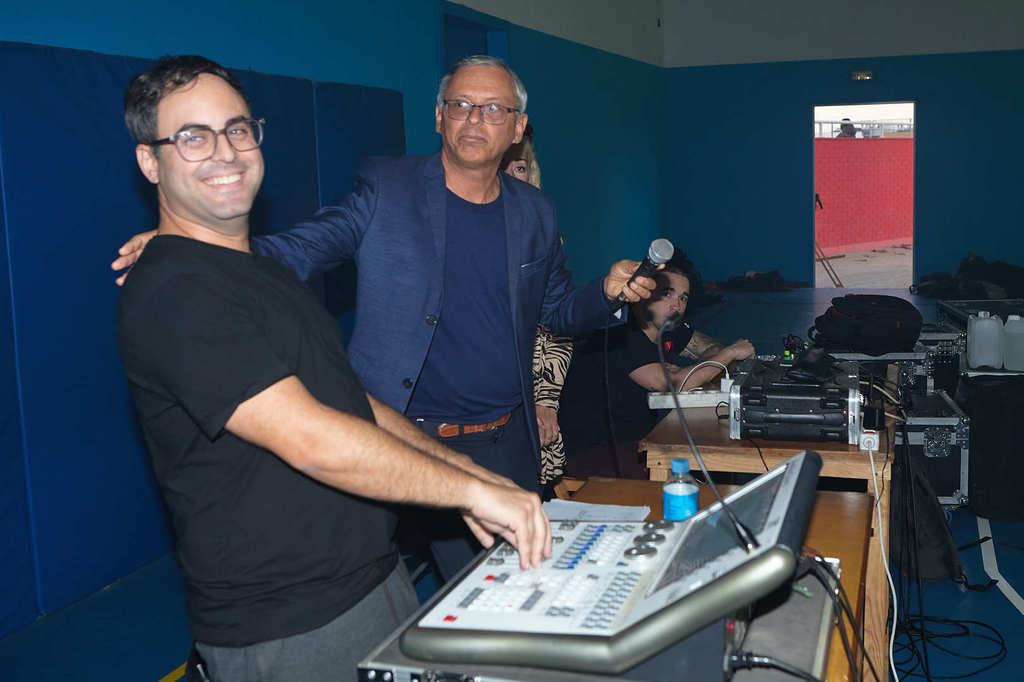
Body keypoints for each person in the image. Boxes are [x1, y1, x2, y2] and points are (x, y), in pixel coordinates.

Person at [112, 55, 658, 579]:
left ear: (518, 128)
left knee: (517, 597)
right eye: (461, 104)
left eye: (493, 109)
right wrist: (193, 243)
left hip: (501, 441)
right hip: (394, 436)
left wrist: (606, 294)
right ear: (439, 117)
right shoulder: (388, 187)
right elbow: (299, 249)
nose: (474, 119)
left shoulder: (534, 211)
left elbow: (558, 311)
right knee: (361, 588)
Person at [116, 55, 552, 682]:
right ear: (150, 161)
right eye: (193, 137)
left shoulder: (262, 277)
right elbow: (312, 440)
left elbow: (353, 402)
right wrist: (473, 492)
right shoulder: (177, 290)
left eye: (237, 129)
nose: (225, 152)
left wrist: (475, 476)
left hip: (373, 585)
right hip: (289, 623)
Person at [559, 264, 755, 478]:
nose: (676, 306)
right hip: (593, 452)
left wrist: (694, 370)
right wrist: (729, 353)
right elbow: (675, 384)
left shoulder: (668, 328)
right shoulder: (623, 334)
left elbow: (710, 349)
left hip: (636, 441)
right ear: (643, 294)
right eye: (666, 294)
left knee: (716, 458)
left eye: (683, 298)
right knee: (700, 471)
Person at [501, 124, 573, 491]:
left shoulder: (543, 232)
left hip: (530, 392)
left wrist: (545, 400)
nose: (514, 177)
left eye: (521, 167)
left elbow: (557, 323)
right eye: (505, 168)